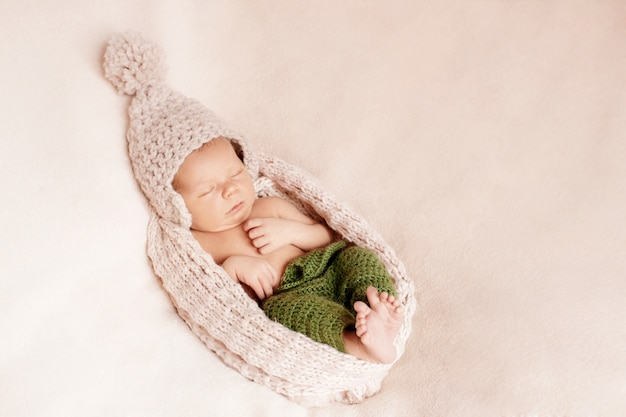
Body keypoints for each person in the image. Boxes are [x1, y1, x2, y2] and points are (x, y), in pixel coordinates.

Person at [172, 136, 403, 364]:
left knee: (357, 257)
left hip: (328, 267)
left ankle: (382, 312)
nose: (230, 189)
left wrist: (291, 232)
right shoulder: (198, 244)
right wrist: (232, 268)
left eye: (235, 174)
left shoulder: (268, 206)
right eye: (208, 190)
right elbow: (212, 298)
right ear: (178, 205)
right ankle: (360, 343)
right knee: (286, 312)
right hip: (291, 296)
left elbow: (325, 236)